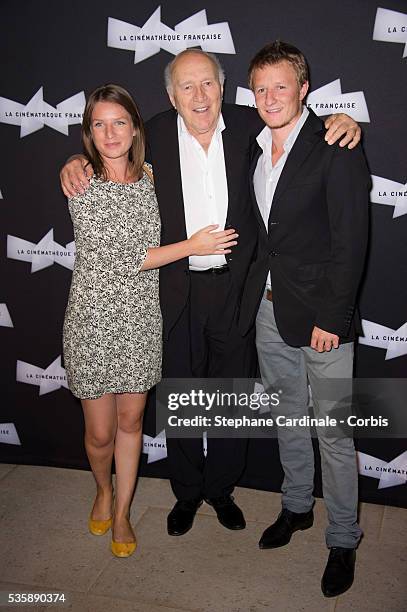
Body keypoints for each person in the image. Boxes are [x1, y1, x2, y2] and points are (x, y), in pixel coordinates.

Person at [60, 50, 362, 538]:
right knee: (181, 396)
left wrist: (340, 121)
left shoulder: (250, 126)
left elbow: (299, 128)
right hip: (175, 289)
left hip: (236, 291)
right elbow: (105, 150)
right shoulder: (151, 134)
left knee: (227, 397)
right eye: (187, 86)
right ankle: (185, 492)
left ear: (223, 89)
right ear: (170, 95)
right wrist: (74, 161)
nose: (199, 96)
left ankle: (221, 489)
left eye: (208, 84)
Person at [63, 83, 238, 557]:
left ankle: (122, 512)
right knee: (100, 432)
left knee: (132, 419)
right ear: (88, 134)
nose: (109, 132)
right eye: (98, 124)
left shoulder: (152, 177)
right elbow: (120, 257)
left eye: (119, 121)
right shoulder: (82, 183)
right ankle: (103, 490)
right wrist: (192, 246)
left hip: (142, 319)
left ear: (135, 128)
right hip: (93, 322)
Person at [239, 41, 369, 596]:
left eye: (280, 86)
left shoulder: (335, 144)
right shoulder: (251, 146)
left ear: (303, 89)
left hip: (322, 319)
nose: (269, 97)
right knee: (289, 419)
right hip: (269, 313)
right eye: (260, 88)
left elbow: (352, 241)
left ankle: (343, 538)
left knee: (335, 431)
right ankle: (297, 508)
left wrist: (334, 317)